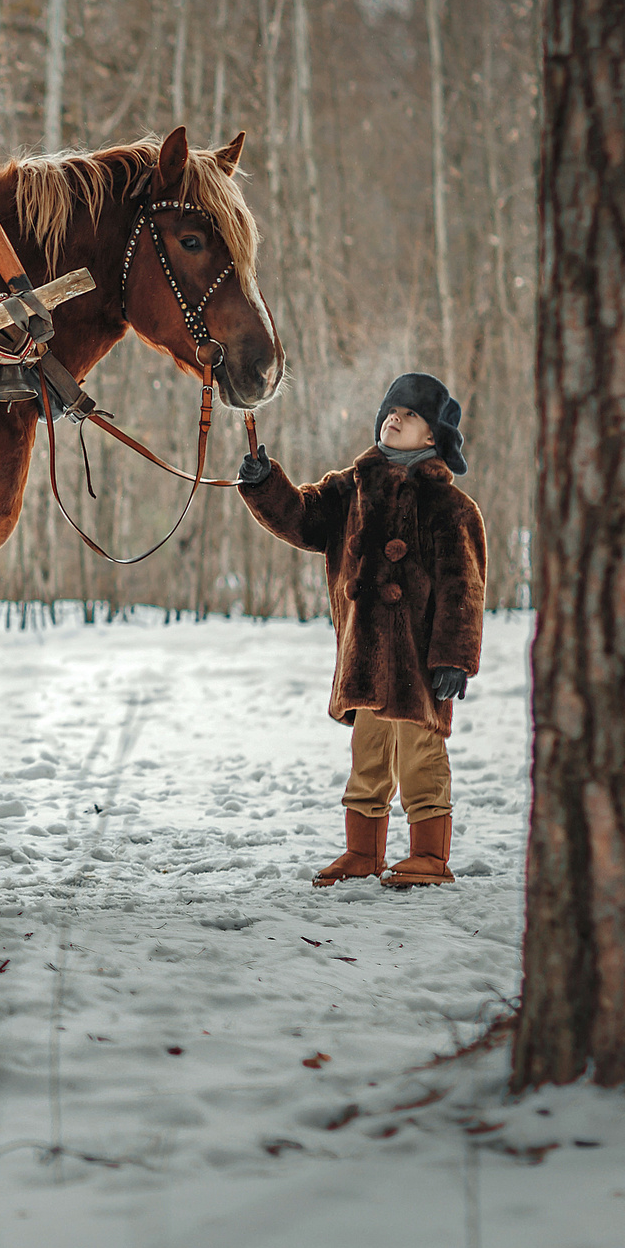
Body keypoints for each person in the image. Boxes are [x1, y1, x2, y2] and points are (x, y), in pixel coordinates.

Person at [236, 373, 486, 887]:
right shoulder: (349, 487)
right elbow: (302, 518)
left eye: (411, 413)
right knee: (368, 759)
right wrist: (265, 483)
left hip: (419, 661)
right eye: (392, 408)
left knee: (421, 758)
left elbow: (464, 589)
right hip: (365, 657)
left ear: (433, 436)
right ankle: (363, 852)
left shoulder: (451, 507)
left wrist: (455, 660)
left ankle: (430, 858)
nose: (395, 416)